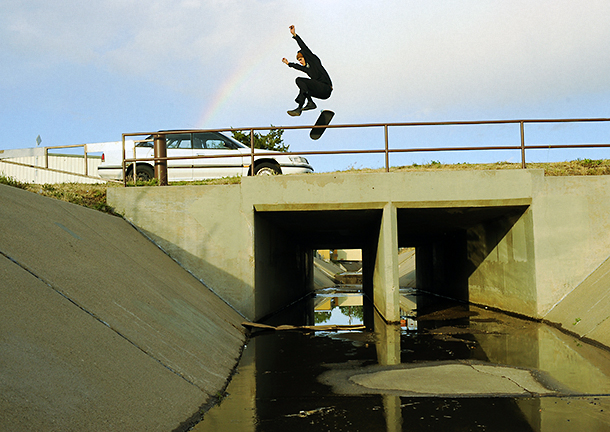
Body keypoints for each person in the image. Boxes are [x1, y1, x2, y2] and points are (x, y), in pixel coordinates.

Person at [282, 25, 333, 117]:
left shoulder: (313, 60)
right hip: (321, 93)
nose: (300, 62)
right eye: (299, 60)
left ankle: (309, 102)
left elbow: (304, 47)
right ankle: (300, 108)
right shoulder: (306, 68)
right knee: (304, 87)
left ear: (305, 57)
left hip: (325, 88)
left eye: (301, 59)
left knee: (299, 80)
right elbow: (297, 67)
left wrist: (295, 35)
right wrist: (288, 63)